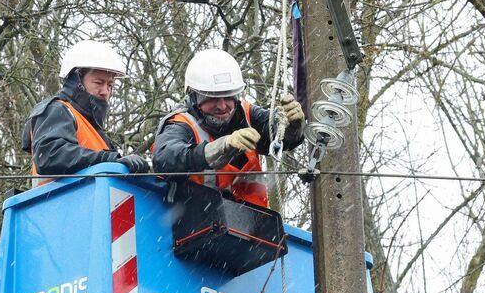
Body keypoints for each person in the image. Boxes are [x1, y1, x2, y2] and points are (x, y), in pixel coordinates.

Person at [152, 48, 305, 208]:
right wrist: (221, 147)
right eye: (212, 98)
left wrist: (292, 127)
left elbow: (279, 136)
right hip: (199, 224)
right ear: (193, 96)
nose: (222, 105)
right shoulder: (181, 123)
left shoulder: (246, 114)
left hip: (255, 224)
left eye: (228, 96)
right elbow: (165, 160)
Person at [22, 40, 150, 186]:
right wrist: (109, 159)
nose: (105, 91)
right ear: (77, 81)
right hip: (57, 205)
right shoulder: (57, 110)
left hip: (90, 204)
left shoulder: (94, 131)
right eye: (98, 82)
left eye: (110, 85)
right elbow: (51, 155)